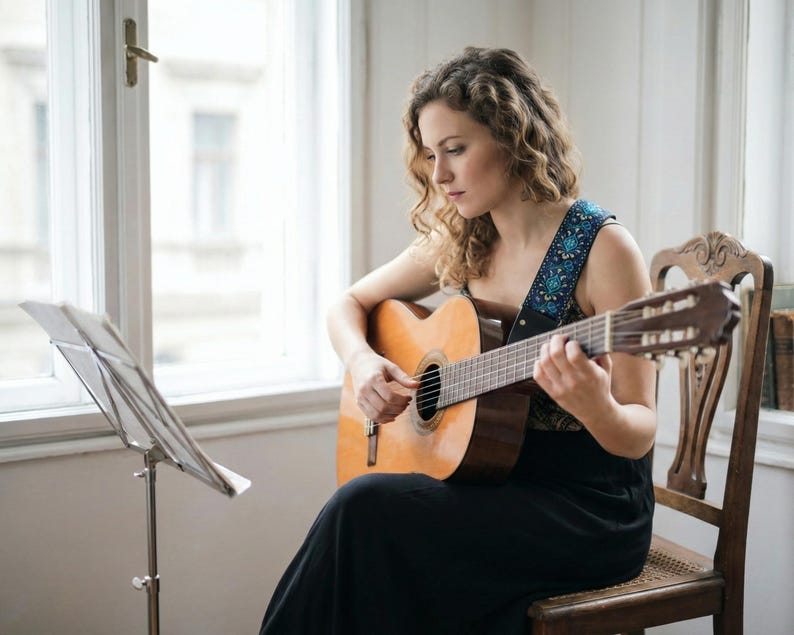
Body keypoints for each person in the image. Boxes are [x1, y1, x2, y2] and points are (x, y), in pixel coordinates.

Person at [259, 46, 656, 635]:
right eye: (428, 155)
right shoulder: (463, 239)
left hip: (589, 510)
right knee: (373, 531)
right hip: (494, 484)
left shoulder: (602, 249)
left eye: (455, 150)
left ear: (514, 137)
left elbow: (640, 430)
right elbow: (348, 304)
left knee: (365, 512)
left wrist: (596, 407)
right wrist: (365, 363)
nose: (439, 176)